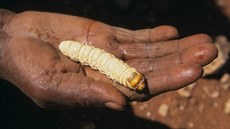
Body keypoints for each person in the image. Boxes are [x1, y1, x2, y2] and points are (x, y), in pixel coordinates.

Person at [0, 9, 217, 110]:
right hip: (77, 49)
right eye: (137, 81)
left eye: (135, 81)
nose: (140, 84)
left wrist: (6, 27)